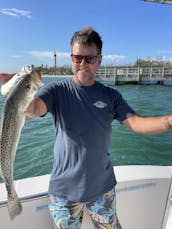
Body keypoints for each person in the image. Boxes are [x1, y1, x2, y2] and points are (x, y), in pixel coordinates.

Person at [1, 27, 172, 229]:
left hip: (103, 190)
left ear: (99, 60)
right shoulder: (57, 90)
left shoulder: (111, 95)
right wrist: (16, 87)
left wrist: (169, 121)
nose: (83, 64)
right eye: (77, 58)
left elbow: (136, 122)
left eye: (89, 59)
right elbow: (34, 109)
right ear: (71, 58)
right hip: (63, 194)